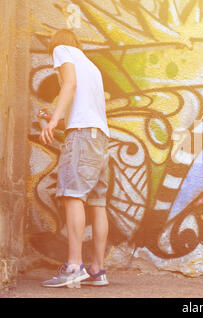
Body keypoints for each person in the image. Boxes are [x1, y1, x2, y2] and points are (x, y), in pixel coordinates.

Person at [39, 29, 110, 287]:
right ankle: (98, 270)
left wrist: (54, 119)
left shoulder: (62, 50)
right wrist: (55, 115)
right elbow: (81, 104)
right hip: (100, 139)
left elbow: (69, 84)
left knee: (72, 195)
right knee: (98, 203)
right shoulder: (91, 66)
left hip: (82, 137)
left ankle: (73, 267)